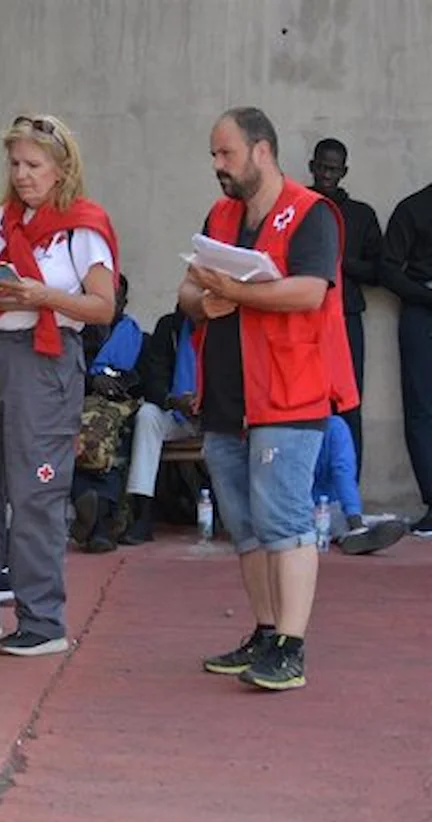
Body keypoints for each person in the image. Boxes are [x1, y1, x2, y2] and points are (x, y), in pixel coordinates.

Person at [0, 113, 118, 656]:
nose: (23, 174)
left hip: (46, 356)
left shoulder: (82, 226)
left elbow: (104, 306)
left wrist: (46, 297)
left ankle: (42, 620)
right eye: (15, 163)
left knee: (37, 491)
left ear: (61, 169)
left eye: (33, 164)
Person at [179, 106, 355, 691]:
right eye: (212, 155)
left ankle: (292, 646)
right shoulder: (222, 214)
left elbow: (310, 291)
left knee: (285, 520)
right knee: (246, 526)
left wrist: (236, 292)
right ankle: (264, 631)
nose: (216, 166)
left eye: (225, 154)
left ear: (262, 151)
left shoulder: (311, 215)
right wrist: (204, 302)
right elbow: (188, 286)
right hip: (228, 396)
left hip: (288, 395)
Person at [308, 138, 382, 471]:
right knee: (306, 404)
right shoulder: (300, 206)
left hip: (347, 318)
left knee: (348, 404)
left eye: (333, 169)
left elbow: (379, 271)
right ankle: (308, 493)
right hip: (303, 318)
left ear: (344, 172)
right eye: (321, 167)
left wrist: (339, 261)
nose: (326, 174)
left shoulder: (362, 215)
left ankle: (348, 493)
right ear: (312, 166)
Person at [70, 274, 143, 554]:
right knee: (75, 439)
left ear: (123, 301)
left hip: (118, 409)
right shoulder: (77, 331)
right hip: (76, 402)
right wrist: (92, 380)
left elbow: (145, 380)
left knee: (108, 441)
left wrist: (118, 385)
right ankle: (99, 526)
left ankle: (94, 521)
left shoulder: (133, 334)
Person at [120, 305, 201, 545]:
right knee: (147, 415)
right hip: (177, 413)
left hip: (217, 417)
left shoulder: (226, 327)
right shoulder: (170, 327)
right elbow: (153, 379)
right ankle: (142, 514)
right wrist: (172, 400)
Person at [382, 180, 432, 536]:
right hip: (421, 313)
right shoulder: (412, 208)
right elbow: (388, 269)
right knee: (421, 409)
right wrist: (425, 296)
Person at [312, 416, 408, 555]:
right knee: (332, 518)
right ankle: (357, 529)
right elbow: (343, 471)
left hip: (312, 507)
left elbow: (343, 472)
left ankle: (356, 530)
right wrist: (354, 516)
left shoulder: (333, 426)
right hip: (316, 507)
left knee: (329, 518)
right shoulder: (335, 426)